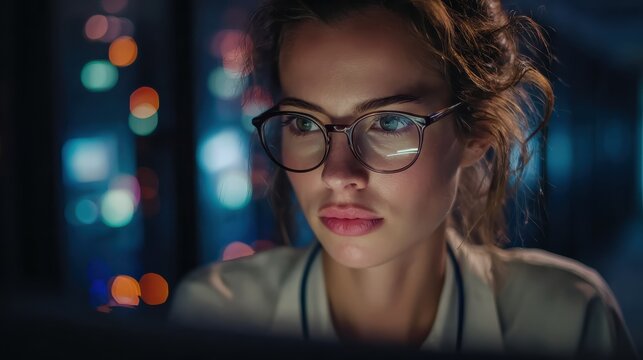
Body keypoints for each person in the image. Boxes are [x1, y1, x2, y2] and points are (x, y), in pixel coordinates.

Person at [169, 0, 639, 358]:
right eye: (305, 124)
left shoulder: (566, 321)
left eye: (389, 123)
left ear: (475, 131)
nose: (337, 174)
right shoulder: (216, 315)